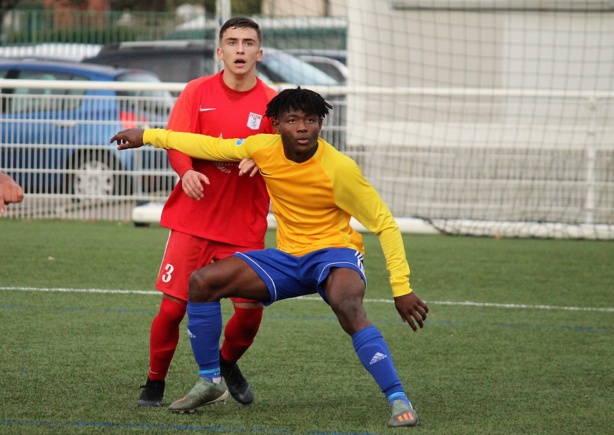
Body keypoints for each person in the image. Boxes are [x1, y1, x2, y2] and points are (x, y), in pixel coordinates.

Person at [111, 87, 429, 428]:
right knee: (202, 282)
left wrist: (401, 288)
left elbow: (384, 224)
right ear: (275, 125)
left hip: (334, 252)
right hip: (288, 257)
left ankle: (397, 398)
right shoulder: (262, 148)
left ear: (320, 124)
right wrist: (146, 135)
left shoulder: (340, 168)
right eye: (292, 120)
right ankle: (210, 381)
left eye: (310, 120)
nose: (303, 127)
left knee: (347, 305)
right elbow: (207, 145)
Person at [136, 17, 277, 407]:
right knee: (172, 308)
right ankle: (154, 382)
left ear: (259, 53)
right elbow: (175, 141)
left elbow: (285, 152)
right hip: (192, 221)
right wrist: (187, 171)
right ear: (220, 52)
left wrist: (264, 160)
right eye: (232, 42)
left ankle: (225, 363)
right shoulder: (196, 92)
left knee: (250, 313)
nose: (240, 49)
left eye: (248, 42)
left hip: (243, 227)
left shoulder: (273, 102)